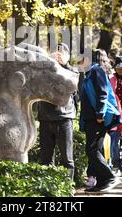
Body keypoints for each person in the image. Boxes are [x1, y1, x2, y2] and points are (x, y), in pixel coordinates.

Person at [79, 50, 120, 193]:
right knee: (95, 149)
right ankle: (102, 181)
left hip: (97, 118)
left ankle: (109, 177)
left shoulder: (96, 70)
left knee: (92, 149)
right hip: (91, 118)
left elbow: (103, 92)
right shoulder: (90, 72)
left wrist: (100, 113)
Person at [37, 43, 78, 180]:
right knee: (45, 158)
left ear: (68, 56)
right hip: (45, 118)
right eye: (55, 52)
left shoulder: (73, 71)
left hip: (64, 118)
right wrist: (50, 64)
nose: (58, 56)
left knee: (67, 159)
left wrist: (64, 65)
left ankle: (67, 188)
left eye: (62, 53)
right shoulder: (44, 70)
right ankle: (48, 188)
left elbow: (71, 86)